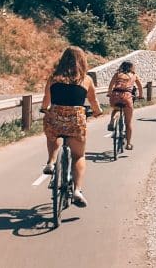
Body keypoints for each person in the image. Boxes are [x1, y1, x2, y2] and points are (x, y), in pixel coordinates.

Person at [40, 46, 102, 207]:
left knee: (52, 136)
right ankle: (77, 190)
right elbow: (94, 102)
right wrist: (97, 111)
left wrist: (44, 108)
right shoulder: (86, 80)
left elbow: (46, 100)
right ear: (82, 61)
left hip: (56, 119)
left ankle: (51, 162)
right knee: (79, 156)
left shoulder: (53, 78)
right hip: (76, 122)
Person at [106, 61, 143, 150]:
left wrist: (109, 93)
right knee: (128, 123)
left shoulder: (117, 74)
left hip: (115, 95)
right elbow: (140, 87)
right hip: (127, 97)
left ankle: (112, 121)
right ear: (131, 67)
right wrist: (141, 96)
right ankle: (128, 144)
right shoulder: (134, 75)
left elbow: (110, 86)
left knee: (116, 108)